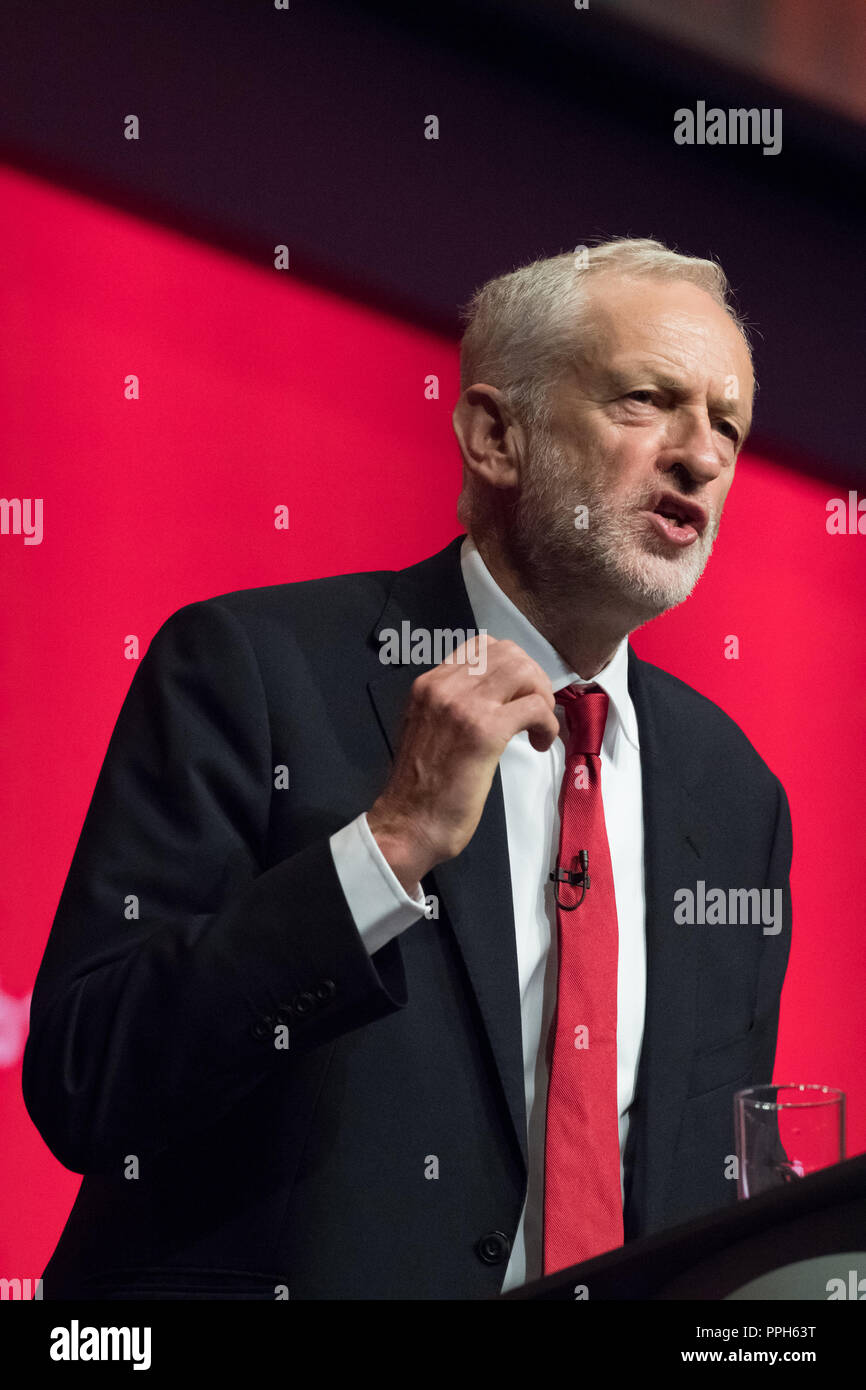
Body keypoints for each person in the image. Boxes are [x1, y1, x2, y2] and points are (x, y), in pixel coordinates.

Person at [23, 237, 791, 1300]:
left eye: (726, 425)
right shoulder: (252, 668)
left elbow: (704, 1182)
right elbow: (85, 1078)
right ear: (494, 435)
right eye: (645, 399)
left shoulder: (733, 791)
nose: (699, 454)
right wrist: (384, 849)